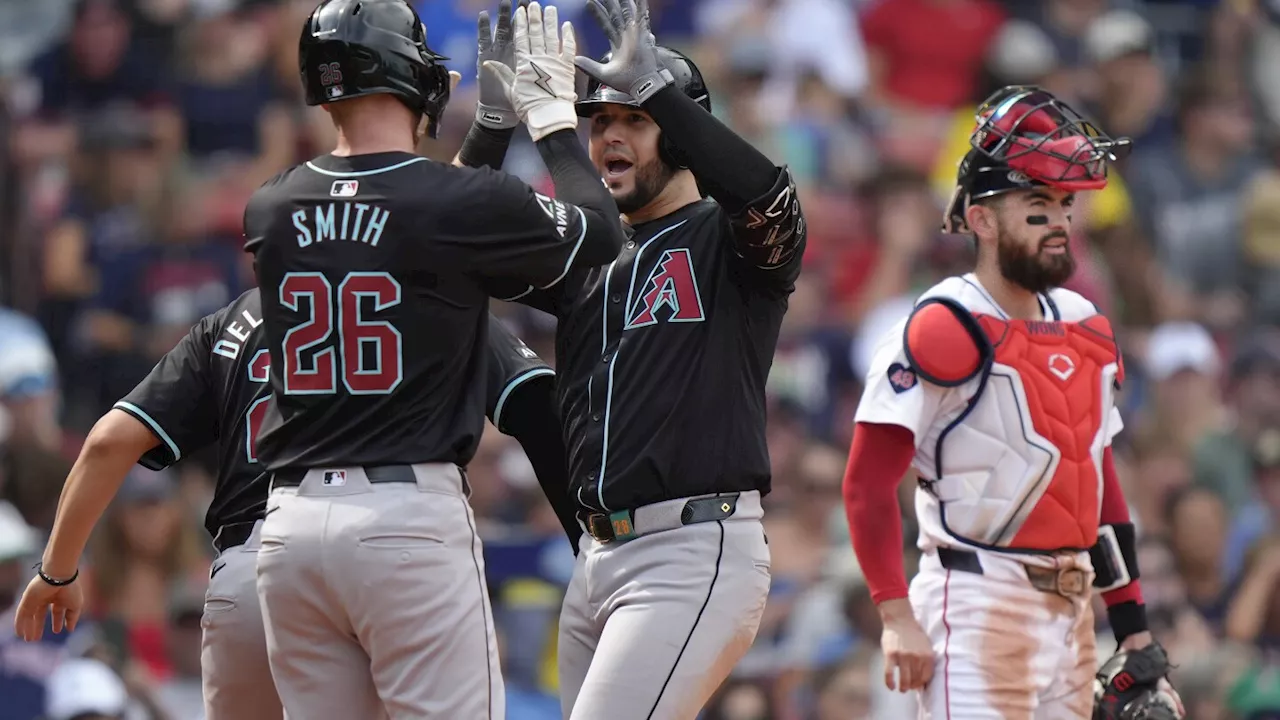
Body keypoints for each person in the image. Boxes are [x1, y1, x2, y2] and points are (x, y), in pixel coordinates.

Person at [242, 0, 622, 717]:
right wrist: (549, 126)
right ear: (409, 74)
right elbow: (598, 233)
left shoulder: (272, 207)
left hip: (289, 528)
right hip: (403, 522)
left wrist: (487, 130)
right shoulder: (449, 201)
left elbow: (409, 231)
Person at [11, 291, 576, 720]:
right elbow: (538, 408)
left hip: (254, 564)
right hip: (399, 534)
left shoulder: (232, 322)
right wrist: (589, 542)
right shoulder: (438, 290)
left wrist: (57, 569)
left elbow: (109, 441)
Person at [481, 0, 807, 715]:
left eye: (635, 120)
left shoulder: (728, 242)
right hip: (595, 560)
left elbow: (769, 198)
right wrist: (505, 127)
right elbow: (440, 259)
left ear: (684, 134)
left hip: (692, 551)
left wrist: (658, 86)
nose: (611, 137)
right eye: (600, 123)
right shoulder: (591, 252)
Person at [841, 85, 1183, 718]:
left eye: (1063, 205)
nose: (1058, 222)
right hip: (975, 600)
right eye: (1036, 205)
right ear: (982, 219)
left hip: (1073, 610)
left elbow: (1097, 485)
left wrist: (1132, 627)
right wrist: (894, 612)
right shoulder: (944, 322)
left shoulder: (1085, 324)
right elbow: (866, 483)